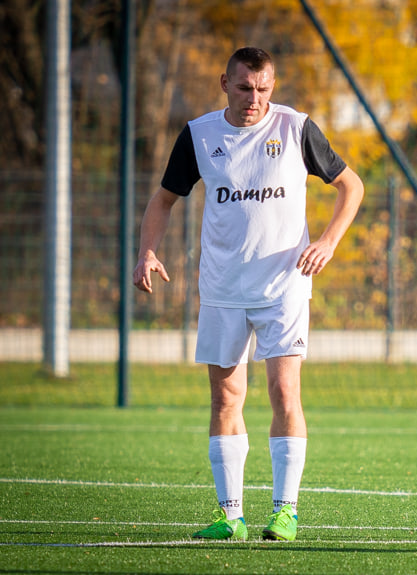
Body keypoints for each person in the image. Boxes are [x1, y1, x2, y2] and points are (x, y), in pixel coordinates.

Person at [133, 47, 364, 542]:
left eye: (263, 89)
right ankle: (230, 515)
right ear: (224, 83)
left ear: (272, 88)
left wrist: (327, 242)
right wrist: (146, 251)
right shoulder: (199, 134)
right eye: (244, 88)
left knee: (284, 392)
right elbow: (164, 199)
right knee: (226, 397)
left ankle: (286, 512)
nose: (254, 99)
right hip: (221, 287)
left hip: (283, 286)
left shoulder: (295, 127)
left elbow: (351, 186)